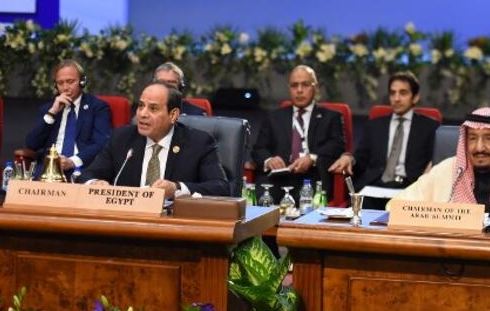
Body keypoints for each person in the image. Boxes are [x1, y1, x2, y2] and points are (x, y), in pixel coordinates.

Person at [79, 83, 229, 198]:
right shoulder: (121, 138)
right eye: (141, 106)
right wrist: (95, 183)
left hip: (175, 227)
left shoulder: (198, 143)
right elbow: (86, 176)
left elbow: (220, 188)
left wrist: (176, 189)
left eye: (153, 109)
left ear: (173, 115)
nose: (143, 114)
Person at [328, 71, 439, 208]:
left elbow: (436, 160)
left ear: (415, 97)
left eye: (403, 93)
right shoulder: (374, 125)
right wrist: (349, 158)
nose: (396, 98)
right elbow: (361, 156)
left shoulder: (430, 127)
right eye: (392, 93)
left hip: (409, 188)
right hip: (375, 186)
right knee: (359, 209)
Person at [251, 65, 345, 203]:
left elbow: (337, 145)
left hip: (312, 178)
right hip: (278, 178)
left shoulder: (331, 117)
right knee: (261, 202)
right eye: (294, 85)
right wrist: (269, 160)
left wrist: (312, 158)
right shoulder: (274, 117)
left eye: (305, 85)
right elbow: (258, 149)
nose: (299, 90)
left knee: (309, 204)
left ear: (316, 87)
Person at [24, 59, 111, 175]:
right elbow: (31, 144)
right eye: (60, 83)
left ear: (82, 82)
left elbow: (101, 143)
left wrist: (71, 162)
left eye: (70, 81)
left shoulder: (97, 107)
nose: (65, 87)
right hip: (49, 169)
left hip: (81, 168)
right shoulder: (49, 109)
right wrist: (52, 113)